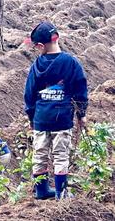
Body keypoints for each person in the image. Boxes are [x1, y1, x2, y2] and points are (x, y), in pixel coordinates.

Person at [24, 21, 88, 200]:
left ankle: (41, 190)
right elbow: (80, 91)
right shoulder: (71, 63)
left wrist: (31, 117)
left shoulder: (36, 65)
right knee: (60, 155)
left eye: (36, 47)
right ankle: (61, 192)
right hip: (62, 118)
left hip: (41, 119)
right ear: (57, 37)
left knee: (40, 154)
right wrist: (81, 115)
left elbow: (29, 94)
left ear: (40, 45)